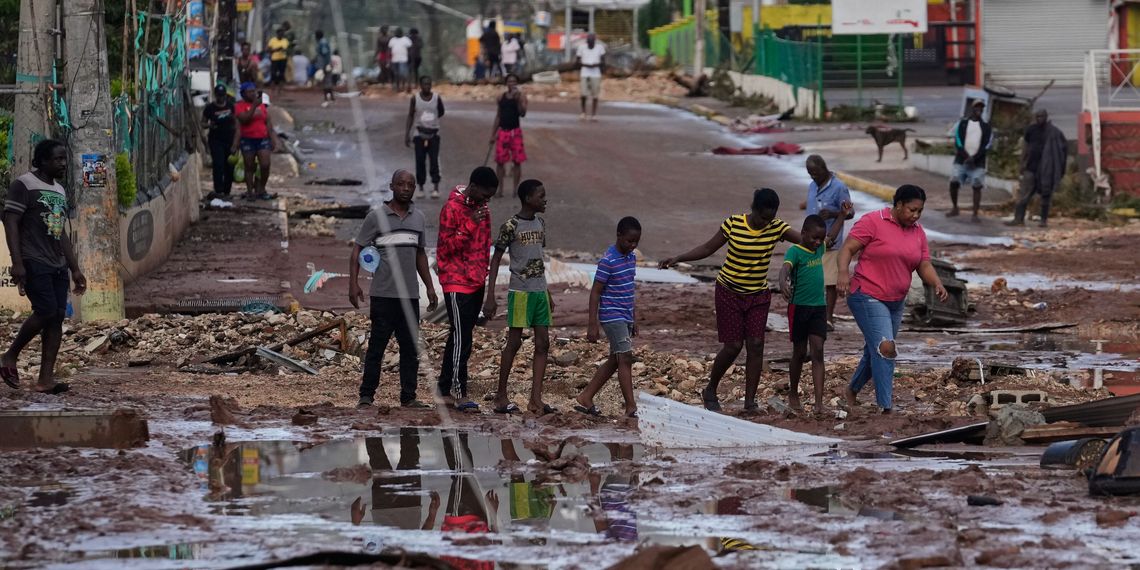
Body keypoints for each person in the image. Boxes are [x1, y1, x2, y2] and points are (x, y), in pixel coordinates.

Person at [660, 188, 801, 412]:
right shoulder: (733, 224)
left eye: (770, 218)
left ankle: (750, 402)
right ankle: (711, 389)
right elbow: (708, 247)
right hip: (728, 292)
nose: (766, 223)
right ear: (753, 209)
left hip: (758, 295)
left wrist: (824, 235)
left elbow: (806, 240)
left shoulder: (777, 227)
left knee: (756, 345)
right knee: (733, 345)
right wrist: (679, 257)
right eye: (763, 217)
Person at [837, 185, 949, 414]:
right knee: (886, 347)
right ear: (898, 205)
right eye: (912, 210)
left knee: (876, 350)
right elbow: (847, 249)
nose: (916, 215)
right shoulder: (873, 221)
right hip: (866, 294)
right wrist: (842, 274)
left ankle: (851, 391)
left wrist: (937, 283)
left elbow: (923, 263)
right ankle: (885, 407)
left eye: (920, 211)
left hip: (896, 301)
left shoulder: (917, 231)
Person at [1, 139, 87, 394]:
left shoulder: (59, 191)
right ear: (42, 161)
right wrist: (17, 262)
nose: (63, 164)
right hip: (33, 259)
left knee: (57, 317)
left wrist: (75, 268)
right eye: (57, 159)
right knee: (46, 311)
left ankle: (45, 379)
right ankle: (9, 355)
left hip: (57, 263)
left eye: (64, 159)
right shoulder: (23, 185)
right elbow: (11, 223)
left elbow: (59, 233)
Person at [350, 169, 438, 409]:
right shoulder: (376, 217)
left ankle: (408, 397)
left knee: (410, 348)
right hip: (383, 294)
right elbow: (357, 249)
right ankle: (366, 396)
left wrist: (430, 287)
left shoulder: (418, 218)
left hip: (409, 295)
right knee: (377, 348)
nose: (406, 188)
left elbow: (420, 254)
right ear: (392, 186)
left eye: (411, 184)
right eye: (401, 184)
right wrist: (353, 283)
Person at [485, 180, 554, 415]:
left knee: (543, 343)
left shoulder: (541, 223)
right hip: (521, 292)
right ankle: (501, 396)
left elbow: (538, 260)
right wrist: (490, 295)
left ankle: (536, 399)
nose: (545, 200)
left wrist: (548, 292)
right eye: (541, 195)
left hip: (539, 292)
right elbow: (495, 260)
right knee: (514, 343)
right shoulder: (511, 226)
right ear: (527, 199)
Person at [436, 167, 498, 412]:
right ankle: (459, 392)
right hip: (455, 280)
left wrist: (485, 281)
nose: (487, 200)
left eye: (490, 196)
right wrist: (469, 224)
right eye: (484, 194)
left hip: (475, 281)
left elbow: (484, 247)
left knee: (461, 336)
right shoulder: (452, 209)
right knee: (462, 337)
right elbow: (445, 249)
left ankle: (444, 389)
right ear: (472, 187)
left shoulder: (484, 210)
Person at [779, 210, 849, 415]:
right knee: (799, 353)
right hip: (798, 308)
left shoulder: (820, 249)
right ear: (803, 233)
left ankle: (819, 403)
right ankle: (793, 393)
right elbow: (785, 268)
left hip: (819, 308)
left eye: (820, 238)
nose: (818, 242)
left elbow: (832, 235)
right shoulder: (795, 251)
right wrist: (783, 281)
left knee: (818, 351)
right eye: (814, 238)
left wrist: (842, 217)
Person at [575, 216, 642, 419]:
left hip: (625, 315)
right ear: (618, 235)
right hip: (611, 315)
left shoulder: (631, 258)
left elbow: (629, 289)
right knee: (626, 357)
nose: (632, 245)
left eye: (636, 242)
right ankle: (631, 406)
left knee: (615, 359)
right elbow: (595, 292)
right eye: (629, 241)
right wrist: (592, 324)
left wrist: (633, 317)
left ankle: (586, 396)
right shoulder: (608, 261)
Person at [804, 154, 854, 329]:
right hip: (811, 241)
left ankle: (828, 318)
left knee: (830, 282)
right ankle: (813, 315)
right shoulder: (812, 186)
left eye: (816, 173)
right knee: (813, 279)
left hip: (831, 241)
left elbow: (850, 212)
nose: (813, 177)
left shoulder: (839, 187)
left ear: (824, 169)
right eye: (810, 174)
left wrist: (833, 214)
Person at [1009, 109, 1067, 228]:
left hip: (1046, 169)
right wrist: (1022, 164)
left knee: (1045, 195)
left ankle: (1043, 220)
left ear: (1046, 117)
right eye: (1038, 116)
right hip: (1031, 167)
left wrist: (1059, 169)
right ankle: (1018, 219)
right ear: (1035, 117)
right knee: (1024, 194)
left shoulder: (1054, 132)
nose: (1040, 118)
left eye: (1042, 116)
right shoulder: (1031, 130)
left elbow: (1062, 151)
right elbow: (1025, 147)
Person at [232, 82, 279, 200]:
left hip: (262, 139)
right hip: (247, 139)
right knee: (249, 166)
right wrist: (253, 106)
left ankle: (261, 189)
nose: (253, 93)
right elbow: (244, 119)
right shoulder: (239, 106)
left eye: (254, 91)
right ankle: (250, 191)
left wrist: (273, 139)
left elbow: (268, 123)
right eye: (250, 91)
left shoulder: (262, 106)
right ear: (243, 94)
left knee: (265, 164)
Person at [949, 100, 992, 221]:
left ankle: (975, 214)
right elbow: (957, 141)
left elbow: (987, 145)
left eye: (981, 108)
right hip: (961, 160)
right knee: (954, 181)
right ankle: (955, 207)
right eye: (977, 107)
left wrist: (974, 158)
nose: (979, 109)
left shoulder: (986, 126)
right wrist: (966, 156)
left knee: (977, 186)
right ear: (972, 109)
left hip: (978, 162)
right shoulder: (962, 124)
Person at [405, 76, 445, 199]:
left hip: (434, 134)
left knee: (434, 161)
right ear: (420, 85)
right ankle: (421, 187)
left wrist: (431, 120)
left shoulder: (436, 98)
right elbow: (411, 115)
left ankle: (435, 187)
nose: (427, 86)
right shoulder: (415, 99)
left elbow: (441, 111)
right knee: (420, 161)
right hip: (419, 134)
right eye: (424, 84)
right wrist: (407, 134)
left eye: (429, 84)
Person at [490, 74, 528, 197]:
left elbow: (522, 113)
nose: (512, 83)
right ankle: (500, 190)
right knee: (500, 162)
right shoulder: (501, 97)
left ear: (517, 83)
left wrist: (518, 101)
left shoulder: (521, 96)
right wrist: (493, 134)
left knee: (517, 162)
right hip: (503, 132)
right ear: (506, 83)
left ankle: (515, 189)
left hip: (515, 132)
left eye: (514, 81)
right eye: (509, 81)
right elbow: (498, 116)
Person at [202, 85, 236, 197]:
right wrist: (209, 125)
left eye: (223, 95)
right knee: (218, 164)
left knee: (229, 166)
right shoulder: (210, 108)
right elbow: (203, 123)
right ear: (216, 95)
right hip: (216, 140)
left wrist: (236, 142)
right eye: (219, 95)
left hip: (229, 140)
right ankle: (218, 189)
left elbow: (236, 123)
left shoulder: (231, 106)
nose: (221, 98)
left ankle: (227, 190)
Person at [576, 33, 606, 121]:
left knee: (595, 95)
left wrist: (597, 65)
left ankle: (593, 114)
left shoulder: (600, 48)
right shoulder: (581, 48)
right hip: (584, 72)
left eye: (592, 42)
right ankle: (583, 112)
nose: (590, 43)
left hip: (596, 73)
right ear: (587, 42)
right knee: (583, 94)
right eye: (589, 42)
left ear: (594, 41)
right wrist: (584, 64)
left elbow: (603, 61)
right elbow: (577, 61)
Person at [388, 28, 414, 93]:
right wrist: (389, 59)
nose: (397, 33)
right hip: (394, 59)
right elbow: (389, 50)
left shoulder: (406, 40)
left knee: (403, 73)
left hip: (403, 59)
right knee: (396, 74)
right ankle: (398, 87)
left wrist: (410, 58)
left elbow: (410, 49)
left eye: (398, 32)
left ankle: (404, 85)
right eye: (396, 32)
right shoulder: (392, 40)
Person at [267, 28, 290, 96]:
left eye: (282, 33)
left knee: (281, 74)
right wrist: (277, 49)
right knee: (273, 74)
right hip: (275, 59)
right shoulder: (272, 40)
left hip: (283, 58)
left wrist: (284, 50)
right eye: (280, 33)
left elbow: (287, 49)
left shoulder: (285, 41)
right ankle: (272, 90)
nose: (281, 35)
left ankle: (280, 90)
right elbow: (268, 50)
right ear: (277, 33)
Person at [315, 31, 334, 102]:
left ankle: (327, 97)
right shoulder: (324, 42)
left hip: (325, 64)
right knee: (327, 81)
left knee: (326, 80)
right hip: (326, 64)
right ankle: (330, 97)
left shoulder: (322, 43)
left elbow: (324, 53)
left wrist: (325, 65)